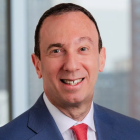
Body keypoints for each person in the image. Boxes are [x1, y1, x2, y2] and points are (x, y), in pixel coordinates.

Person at [0, 3, 140, 140]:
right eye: (56, 51)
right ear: (37, 65)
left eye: (83, 49)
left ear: (101, 59)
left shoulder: (135, 132)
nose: (71, 66)